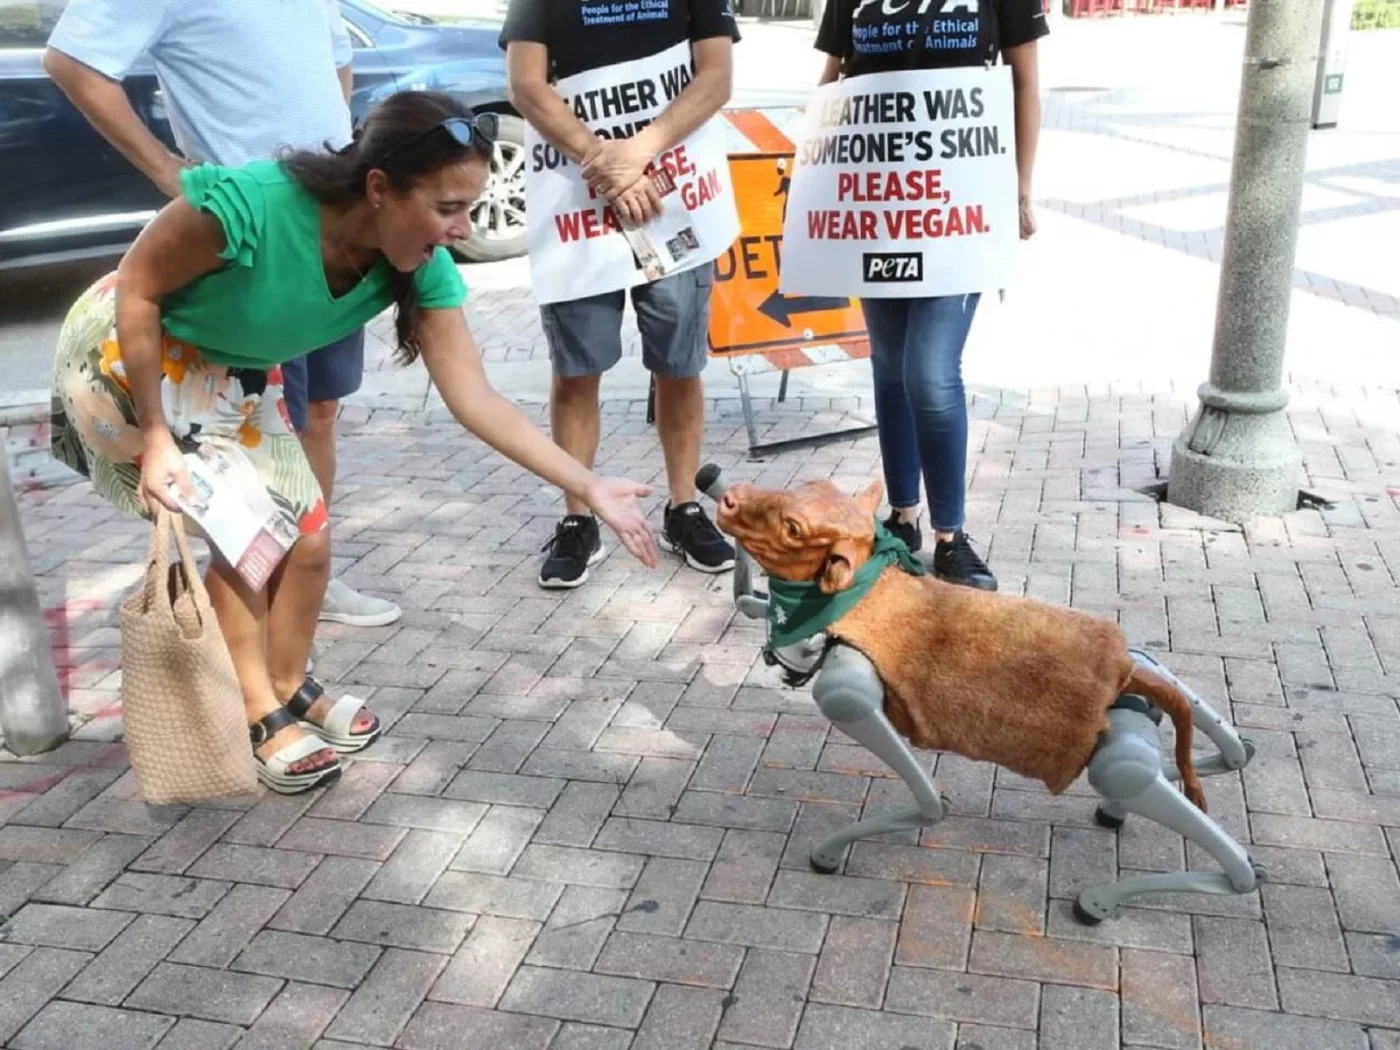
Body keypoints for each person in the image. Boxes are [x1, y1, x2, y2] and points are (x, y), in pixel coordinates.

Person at [49, 91, 660, 794]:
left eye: (471, 207)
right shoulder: (248, 205)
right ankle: (256, 712)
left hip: (224, 368)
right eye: (447, 207)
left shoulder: (420, 264)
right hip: (128, 359)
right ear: (379, 188)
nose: (464, 228)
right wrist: (155, 437)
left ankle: (283, 680)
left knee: (308, 540)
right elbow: (138, 288)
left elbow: (477, 398)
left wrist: (586, 486)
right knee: (252, 546)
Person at [44, 0, 403, 629]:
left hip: (334, 221)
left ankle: (304, 574)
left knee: (318, 410)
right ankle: (257, 603)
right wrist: (165, 168)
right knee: (255, 434)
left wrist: (336, 166)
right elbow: (70, 60)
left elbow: (336, 62)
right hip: (250, 233)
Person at [502, 0, 740, 590]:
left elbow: (716, 76)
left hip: (674, 194)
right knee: (578, 370)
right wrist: (602, 159)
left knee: (680, 366)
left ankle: (682, 508)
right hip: (576, 202)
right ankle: (579, 516)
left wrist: (639, 152)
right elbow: (526, 85)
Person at [815, 0, 1047, 591]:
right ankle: (902, 517)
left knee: (929, 371)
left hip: (960, 210)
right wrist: (814, 177)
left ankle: (951, 534)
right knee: (890, 367)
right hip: (880, 204)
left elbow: (1025, 81)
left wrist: (1019, 187)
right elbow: (833, 81)